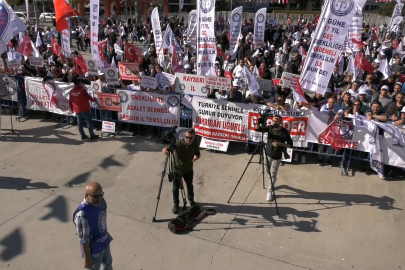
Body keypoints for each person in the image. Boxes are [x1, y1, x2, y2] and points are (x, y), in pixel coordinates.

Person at [73, 182, 113, 270]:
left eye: (100, 195)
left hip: (104, 244)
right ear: (87, 195)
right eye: (95, 196)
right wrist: (87, 259)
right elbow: (84, 240)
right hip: (94, 251)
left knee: (108, 266)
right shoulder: (82, 214)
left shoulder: (100, 201)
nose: (99, 199)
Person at [162, 128, 201, 214]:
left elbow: (198, 154)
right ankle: (176, 204)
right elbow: (168, 148)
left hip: (188, 169)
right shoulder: (179, 144)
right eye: (186, 137)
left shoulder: (195, 144)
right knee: (176, 188)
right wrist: (165, 150)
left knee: (190, 186)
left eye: (190, 138)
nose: (188, 139)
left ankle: (191, 200)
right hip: (177, 169)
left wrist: (196, 157)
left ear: (194, 137)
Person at [254, 115, 293, 202]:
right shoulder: (270, 128)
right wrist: (259, 122)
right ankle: (272, 181)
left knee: (273, 175)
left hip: (277, 156)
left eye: (277, 121)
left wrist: (280, 144)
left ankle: (270, 191)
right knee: (267, 171)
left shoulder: (284, 132)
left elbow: (290, 144)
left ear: (280, 122)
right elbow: (257, 129)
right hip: (267, 154)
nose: (275, 122)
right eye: (273, 121)